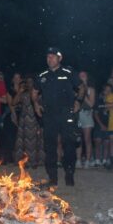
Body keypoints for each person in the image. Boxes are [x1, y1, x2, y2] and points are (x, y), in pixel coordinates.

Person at [37, 47, 83, 186]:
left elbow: (82, 88)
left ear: (60, 58)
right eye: (48, 57)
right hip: (49, 115)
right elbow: (34, 92)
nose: (50, 59)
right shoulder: (43, 75)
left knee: (69, 145)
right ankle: (52, 178)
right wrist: (36, 104)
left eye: (53, 56)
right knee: (50, 147)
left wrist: (78, 101)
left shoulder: (68, 72)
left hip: (66, 114)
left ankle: (69, 175)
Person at [12, 77, 43, 168]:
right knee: (23, 142)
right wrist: (19, 92)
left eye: (31, 82)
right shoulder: (23, 94)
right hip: (24, 121)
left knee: (34, 141)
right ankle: (23, 162)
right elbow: (13, 102)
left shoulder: (38, 94)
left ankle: (34, 162)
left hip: (35, 120)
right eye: (28, 82)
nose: (29, 84)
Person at [75, 71, 96, 168]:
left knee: (87, 139)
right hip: (77, 114)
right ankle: (78, 160)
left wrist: (83, 93)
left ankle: (88, 160)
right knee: (78, 138)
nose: (81, 77)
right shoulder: (75, 89)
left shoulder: (91, 89)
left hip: (86, 114)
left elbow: (91, 104)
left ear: (87, 77)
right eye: (80, 75)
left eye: (83, 75)